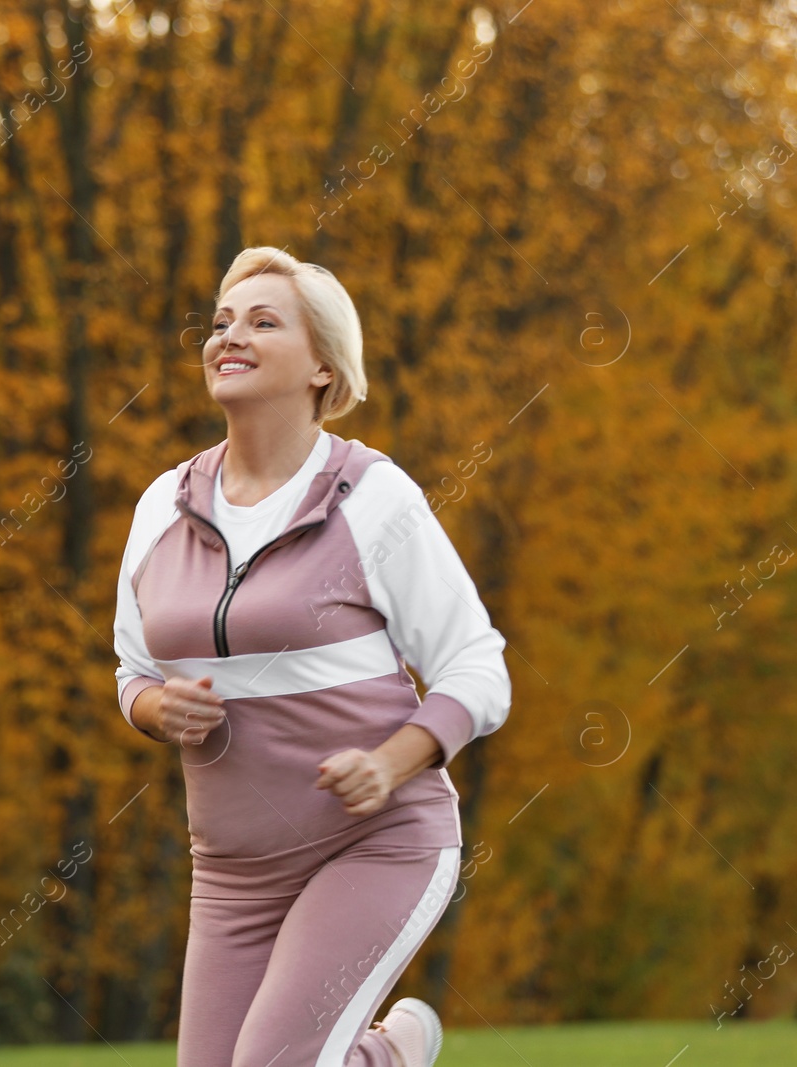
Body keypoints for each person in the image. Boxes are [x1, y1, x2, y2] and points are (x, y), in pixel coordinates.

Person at [112, 247, 511, 1067]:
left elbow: (478, 665)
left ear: (324, 366)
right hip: (231, 870)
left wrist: (394, 760)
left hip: (375, 842)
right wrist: (161, 710)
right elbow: (132, 675)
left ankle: (382, 1055)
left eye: (264, 321)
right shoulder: (164, 504)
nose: (232, 335)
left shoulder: (373, 496)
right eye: (222, 322)